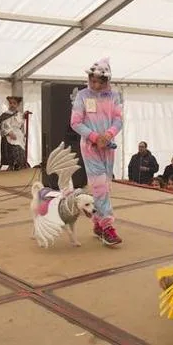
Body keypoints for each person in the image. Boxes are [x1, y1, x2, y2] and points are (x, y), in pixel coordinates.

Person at [70, 57, 123, 246]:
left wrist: (108, 135)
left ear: (106, 80)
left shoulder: (115, 95)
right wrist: (94, 137)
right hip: (91, 148)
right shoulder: (82, 95)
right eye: (92, 80)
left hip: (108, 147)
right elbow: (75, 122)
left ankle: (97, 223)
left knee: (104, 186)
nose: (95, 84)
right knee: (99, 185)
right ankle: (107, 226)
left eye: (99, 81)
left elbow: (119, 120)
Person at [0, 96, 28, 171]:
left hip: (18, 134)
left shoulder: (19, 114)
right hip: (10, 134)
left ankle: (19, 164)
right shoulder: (5, 115)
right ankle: (12, 164)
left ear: (17, 105)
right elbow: (4, 124)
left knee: (20, 148)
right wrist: (9, 132)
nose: (12, 105)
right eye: (10, 103)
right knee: (13, 148)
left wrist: (24, 117)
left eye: (14, 103)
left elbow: (20, 124)